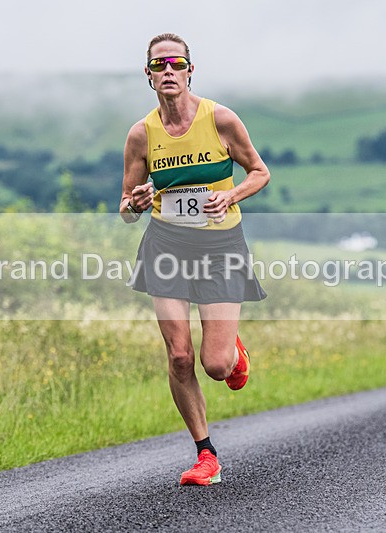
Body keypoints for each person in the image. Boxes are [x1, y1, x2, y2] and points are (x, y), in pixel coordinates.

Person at [120, 33, 270, 485]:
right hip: (166, 247)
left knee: (216, 365)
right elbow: (125, 209)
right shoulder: (141, 134)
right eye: (159, 65)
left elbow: (260, 172)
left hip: (221, 248)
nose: (168, 71)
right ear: (148, 76)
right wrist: (137, 203)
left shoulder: (221, 119)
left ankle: (234, 352)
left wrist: (230, 196)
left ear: (189, 71)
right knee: (180, 357)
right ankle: (206, 455)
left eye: (176, 63)